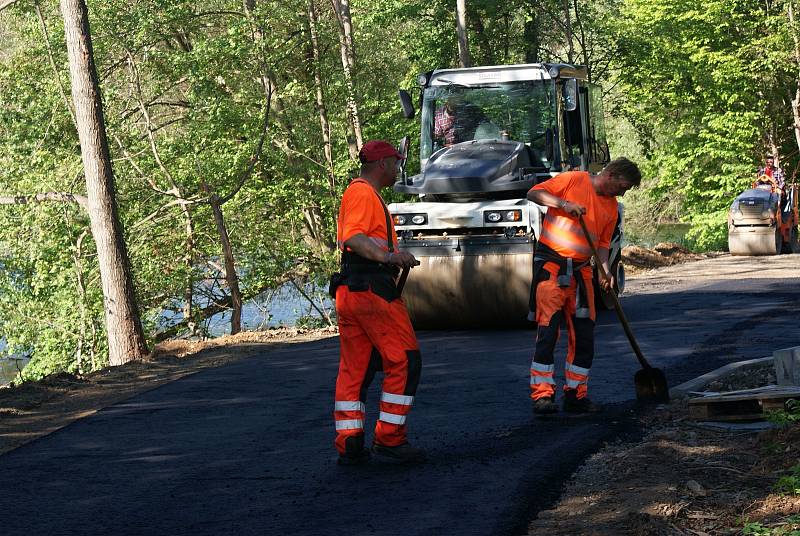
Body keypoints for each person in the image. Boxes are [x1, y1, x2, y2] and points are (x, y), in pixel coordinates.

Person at [330, 140, 425, 465]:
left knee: (356, 367)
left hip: (352, 291)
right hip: (371, 290)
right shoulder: (361, 193)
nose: (399, 169)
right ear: (383, 163)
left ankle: (351, 442)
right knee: (405, 360)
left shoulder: (363, 194)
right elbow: (354, 239)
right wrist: (390, 257)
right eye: (396, 163)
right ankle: (389, 438)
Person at [526, 158, 641, 414]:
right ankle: (542, 395)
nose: (623, 193)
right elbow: (534, 193)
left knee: (584, 335)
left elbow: (601, 245)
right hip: (551, 267)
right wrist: (563, 204)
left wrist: (605, 270)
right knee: (548, 332)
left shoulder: (611, 208)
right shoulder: (574, 180)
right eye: (622, 187)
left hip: (581, 271)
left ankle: (576, 395)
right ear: (610, 174)